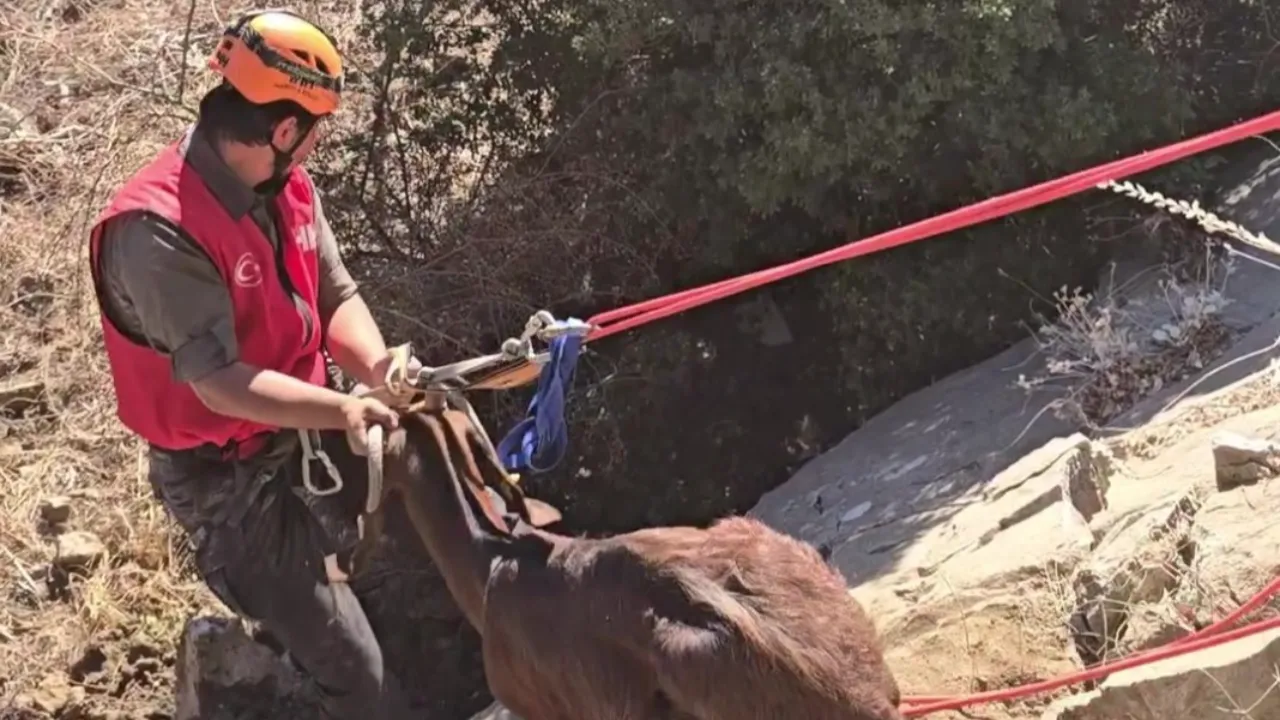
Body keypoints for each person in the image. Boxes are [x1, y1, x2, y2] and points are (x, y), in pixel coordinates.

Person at [87, 9, 417, 718]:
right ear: (284, 128)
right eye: (312, 131)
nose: (314, 149)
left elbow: (334, 295)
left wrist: (380, 370)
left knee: (411, 549)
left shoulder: (283, 185)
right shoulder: (157, 231)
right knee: (355, 673)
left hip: (303, 429)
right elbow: (220, 383)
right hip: (225, 479)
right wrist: (345, 409)